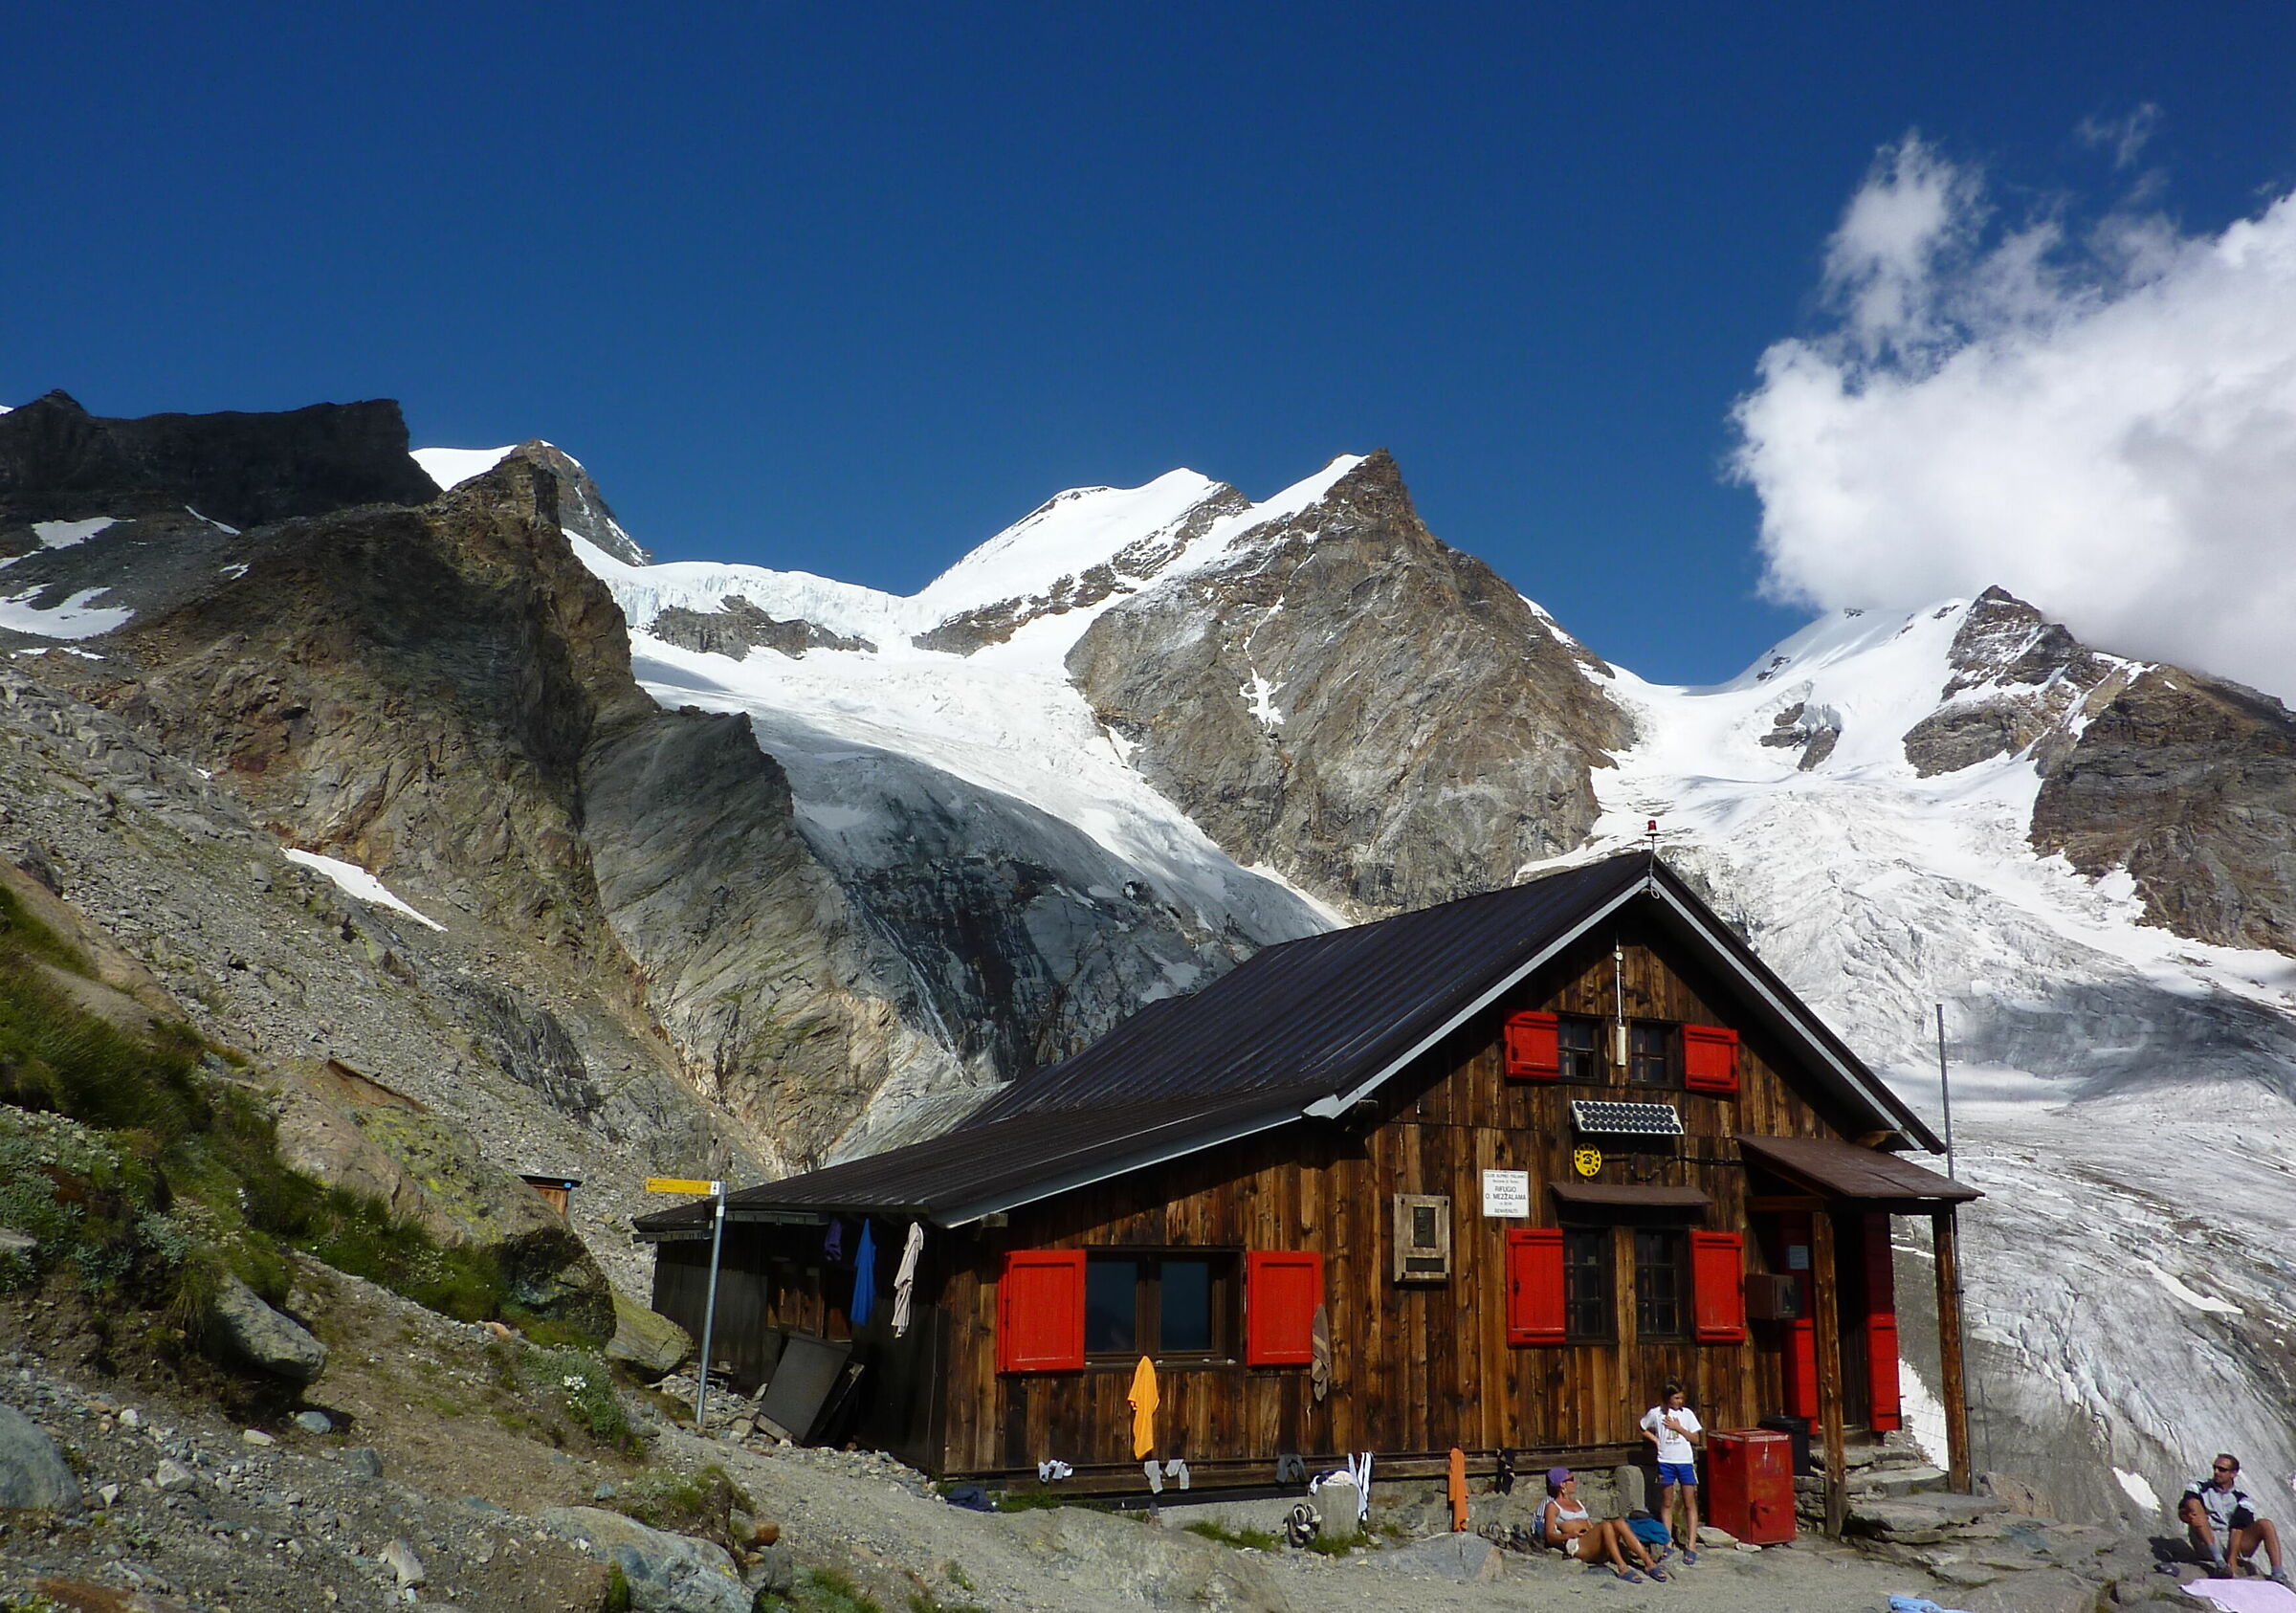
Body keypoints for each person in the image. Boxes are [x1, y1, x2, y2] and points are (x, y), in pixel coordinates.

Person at [1537, 1467, 1669, 1583]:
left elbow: (1590, 1526)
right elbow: (1550, 1535)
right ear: (1562, 1485)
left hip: (1591, 1540)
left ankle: (1649, 1563)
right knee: (1606, 1525)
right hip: (1577, 1545)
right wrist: (1568, 1535)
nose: (1575, 1482)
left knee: (1619, 1522)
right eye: (1571, 1479)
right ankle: (1622, 1567)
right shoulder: (1553, 1506)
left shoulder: (1578, 1503)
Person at [2179, 1453, 2288, 1582]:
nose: (2216, 1472)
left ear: (2233, 1473)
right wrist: (2187, 1516)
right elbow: (2183, 1509)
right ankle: (2219, 1562)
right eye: (2215, 1468)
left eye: (2222, 1469)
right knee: (2194, 1504)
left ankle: (2278, 1573)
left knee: (2266, 1524)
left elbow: (2238, 1528)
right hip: (2205, 1535)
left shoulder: (2242, 1498)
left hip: (2231, 1541)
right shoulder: (2199, 1486)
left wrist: (2232, 1558)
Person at [1640, 1380, 1705, 1564]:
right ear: (1668, 1398)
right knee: (1666, 1502)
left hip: (1684, 1462)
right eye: (1676, 1398)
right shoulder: (1656, 1413)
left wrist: (1678, 1428)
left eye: (1681, 1397)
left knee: (1689, 1502)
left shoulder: (1687, 1414)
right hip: (1665, 1461)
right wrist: (1656, 1440)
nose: (1679, 1401)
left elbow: (1696, 1438)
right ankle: (1667, 1542)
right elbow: (1643, 1427)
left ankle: (1691, 1545)